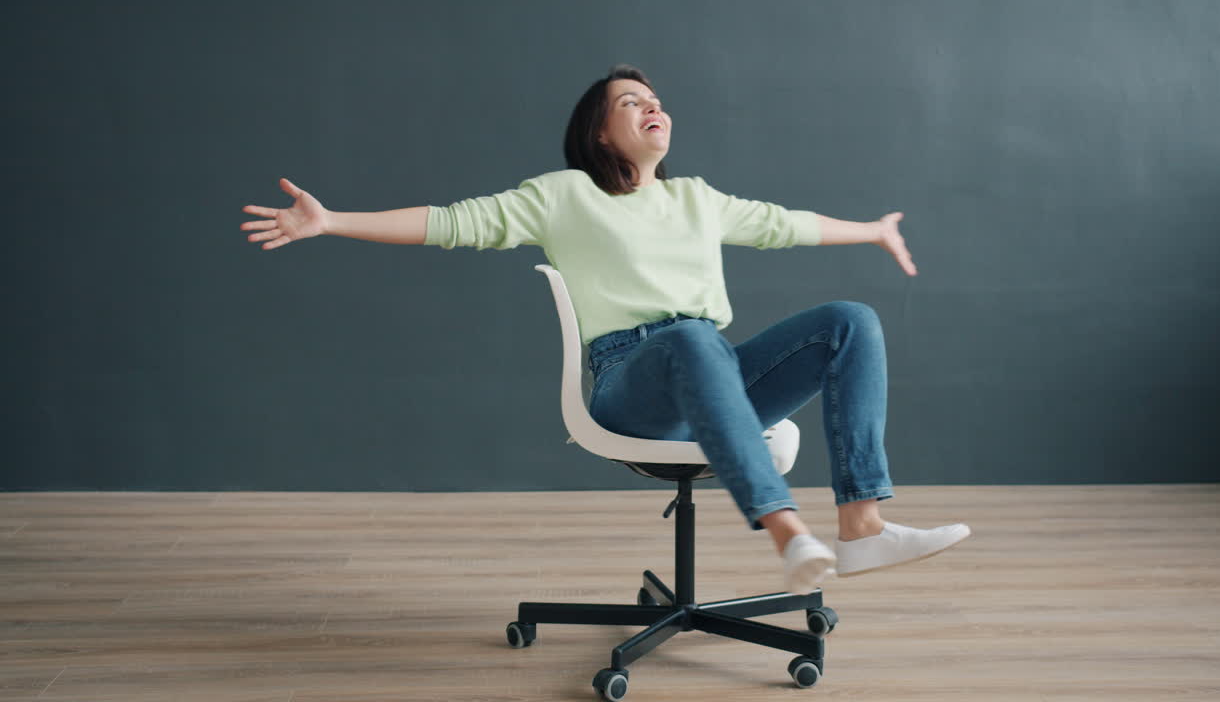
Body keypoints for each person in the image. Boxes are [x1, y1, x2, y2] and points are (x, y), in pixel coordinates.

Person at [238, 64, 970, 594]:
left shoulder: (697, 198)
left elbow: (787, 226)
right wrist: (331, 221)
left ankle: (861, 528)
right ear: (600, 129)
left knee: (849, 322)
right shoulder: (564, 198)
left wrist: (871, 230)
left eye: (656, 100)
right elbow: (451, 224)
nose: (653, 108)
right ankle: (785, 533)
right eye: (631, 101)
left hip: (712, 371)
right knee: (685, 339)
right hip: (633, 383)